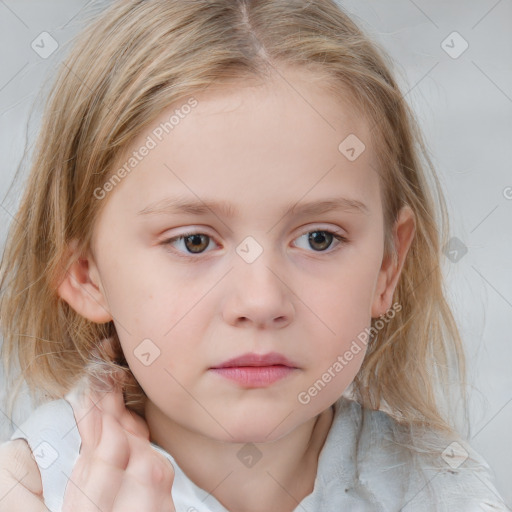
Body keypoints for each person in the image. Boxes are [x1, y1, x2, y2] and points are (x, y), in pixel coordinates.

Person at [0, 0, 508, 511]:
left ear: (386, 266)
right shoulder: (28, 492)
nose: (261, 301)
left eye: (318, 239)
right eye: (194, 242)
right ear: (85, 274)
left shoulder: (443, 490)